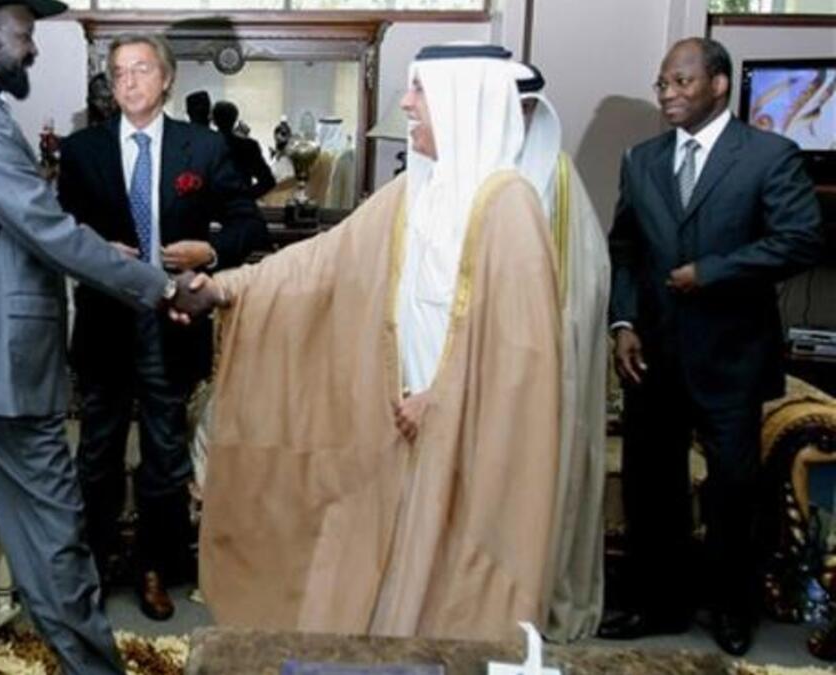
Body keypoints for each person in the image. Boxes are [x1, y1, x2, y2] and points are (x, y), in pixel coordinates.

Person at [0, 4, 212, 674]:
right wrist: (162, 286)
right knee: (57, 544)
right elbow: (47, 229)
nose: (31, 50)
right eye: (24, 37)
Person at [192, 44, 561, 641]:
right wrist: (223, 288)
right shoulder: (414, 191)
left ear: (463, 102)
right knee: (387, 580)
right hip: (399, 426)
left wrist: (442, 400)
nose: (407, 104)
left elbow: (523, 355)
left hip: (464, 438)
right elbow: (319, 262)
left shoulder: (508, 205)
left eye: (420, 91)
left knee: (450, 596)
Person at [599, 37, 824, 656]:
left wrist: (712, 272)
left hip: (732, 358)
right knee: (652, 488)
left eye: (681, 81)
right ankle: (658, 605)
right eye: (662, 83)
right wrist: (623, 323)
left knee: (732, 492)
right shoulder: (641, 160)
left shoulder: (769, 155)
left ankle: (731, 609)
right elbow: (625, 250)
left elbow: (800, 239)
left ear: (719, 84)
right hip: (652, 357)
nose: (668, 93)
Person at [56, 33, 268, 622]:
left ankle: (155, 568)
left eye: (141, 69)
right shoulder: (82, 150)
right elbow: (56, 228)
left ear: (167, 78)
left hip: (173, 320)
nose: (128, 81)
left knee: (165, 455)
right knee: (97, 453)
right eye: (119, 72)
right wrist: (96, 248)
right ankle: (93, 566)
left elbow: (250, 225)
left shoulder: (204, 148)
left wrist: (211, 250)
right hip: (105, 319)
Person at [510, 62, 611, 643]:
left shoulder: (559, 176)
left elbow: (587, 277)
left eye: (527, 108)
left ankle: (533, 599)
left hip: (538, 362)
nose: (518, 118)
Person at [211, 100, 276, 200]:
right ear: (235, 120)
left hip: (212, 206)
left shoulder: (206, 146)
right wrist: (246, 197)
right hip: (241, 206)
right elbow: (268, 181)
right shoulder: (249, 146)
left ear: (214, 121)